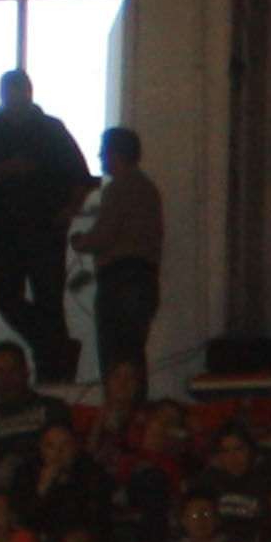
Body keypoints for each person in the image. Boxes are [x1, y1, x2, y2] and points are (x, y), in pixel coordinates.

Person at [0, 69, 91, 379]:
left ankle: (53, 367)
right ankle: (55, 350)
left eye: (20, 95)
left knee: (48, 301)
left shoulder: (50, 130)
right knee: (4, 296)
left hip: (44, 229)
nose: (16, 101)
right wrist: (4, 169)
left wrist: (68, 211)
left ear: (29, 94)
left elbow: (81, 177)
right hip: (1, 232)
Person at [79, 127, 164, 381]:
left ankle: (120, 403)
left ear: (115, 154)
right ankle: (136, 402)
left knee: (115, 355)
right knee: (133, 353)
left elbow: (104, 234)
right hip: (145, 280)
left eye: (102, 152)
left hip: (119, 280)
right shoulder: (149, 188)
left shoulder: (118, 188)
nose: (99, 157)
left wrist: (81, 242)